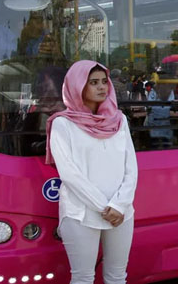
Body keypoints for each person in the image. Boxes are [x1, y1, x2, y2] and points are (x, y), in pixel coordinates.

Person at [46, 61, 137, 284]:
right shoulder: (62, 124)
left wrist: (119, 205)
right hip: (80, 213)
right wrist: (105, 208)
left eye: (104, 82)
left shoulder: (119, 120)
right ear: (78, 86)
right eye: (93, 82)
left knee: (117, 277)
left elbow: (131, 167)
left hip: (121, 212)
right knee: (83, 278)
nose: (102, 87)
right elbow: (69, 174)